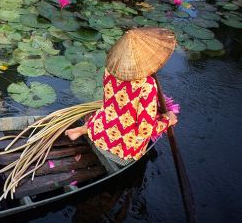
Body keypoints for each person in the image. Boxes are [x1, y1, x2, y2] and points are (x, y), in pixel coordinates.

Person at [64, 27, 178, 165]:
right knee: (154, 120)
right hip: (122, 149)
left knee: (109, 113)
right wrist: (168, 120)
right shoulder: (147, 85)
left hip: (100, 130)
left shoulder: (110, 69)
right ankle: (85, 132)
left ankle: (82, 130)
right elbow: (145, 130)